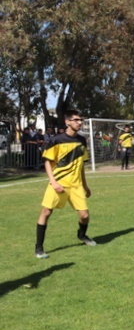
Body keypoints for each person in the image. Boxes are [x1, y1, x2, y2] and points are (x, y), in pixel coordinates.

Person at [35, 109, 95, 259]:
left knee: (84, 215)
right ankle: (39, 248)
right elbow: (47, 162)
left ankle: (82, 235)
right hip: (59, 183)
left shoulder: (82, 141)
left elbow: (81, 165)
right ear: (67, 122)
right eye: (76, 120)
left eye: (81, 120)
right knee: (46, 213)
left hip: (76, 185)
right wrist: (53, 182)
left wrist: (85, 185)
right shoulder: (56, 140)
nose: (79, 122)